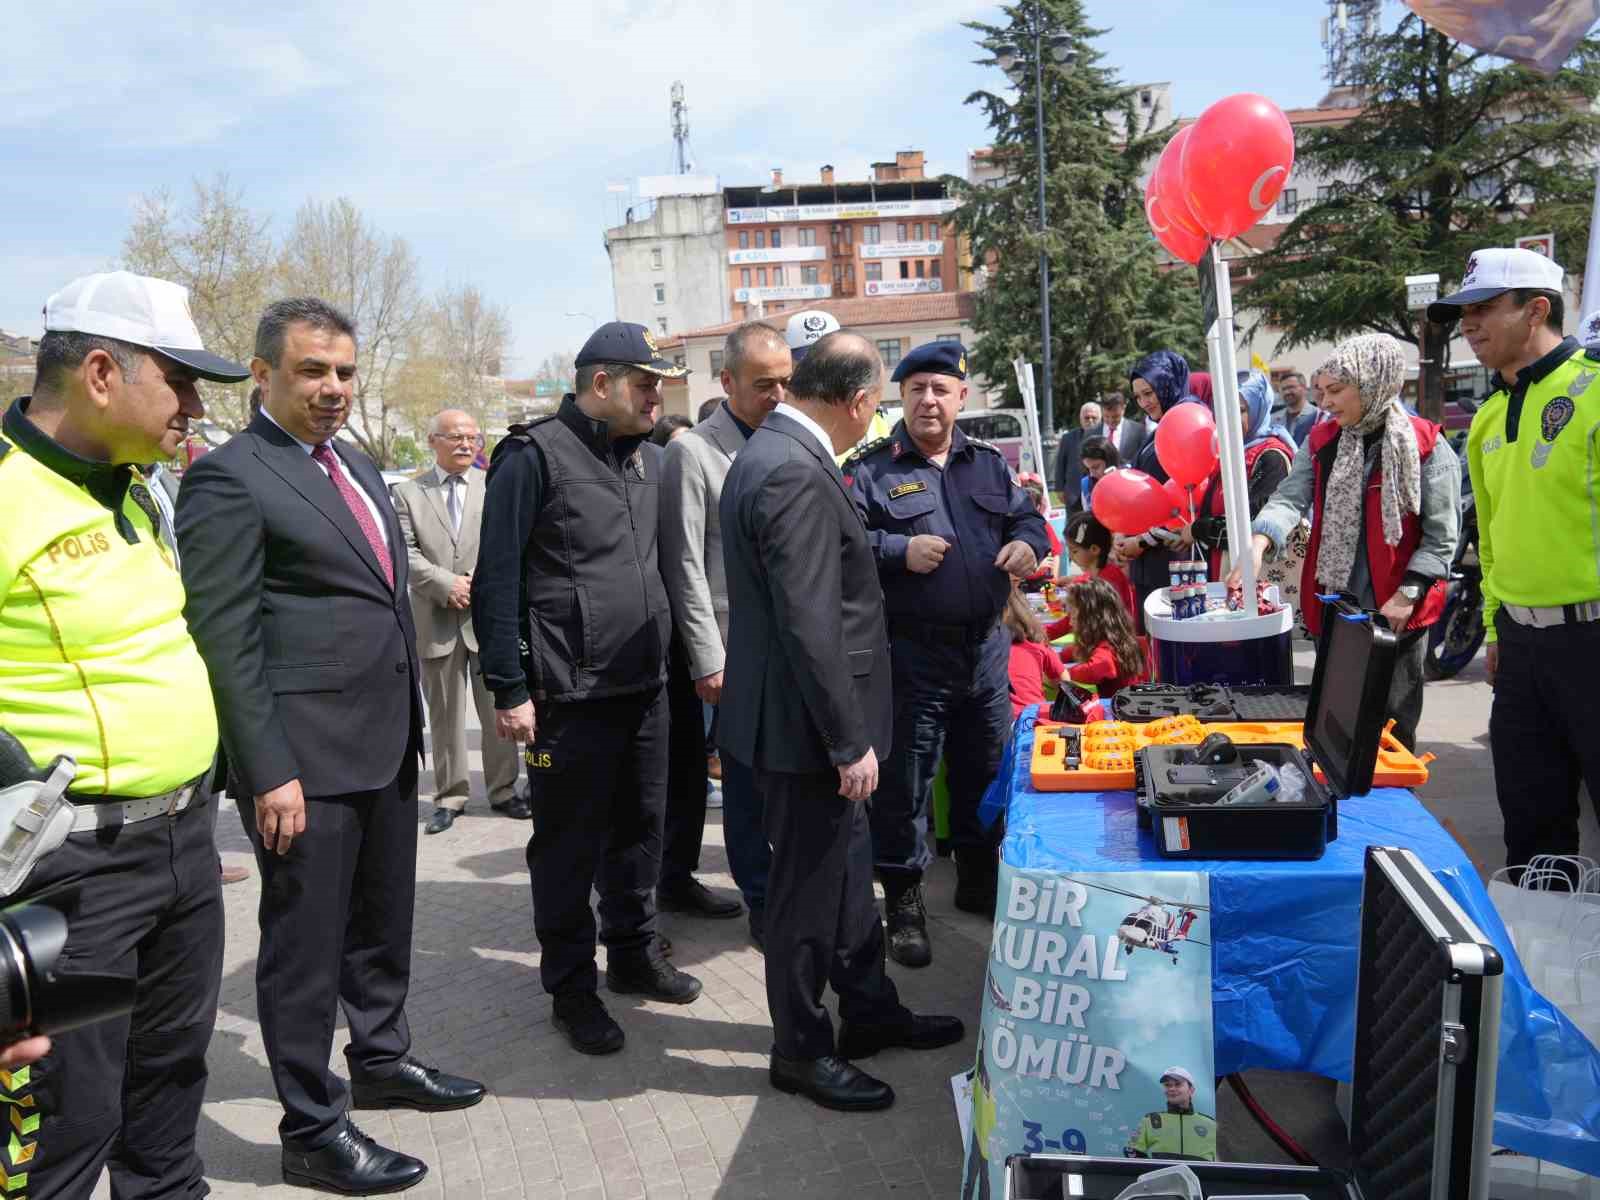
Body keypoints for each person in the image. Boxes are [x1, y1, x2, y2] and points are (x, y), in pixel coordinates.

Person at [178, 297, 484, 1194]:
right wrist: (267, 770)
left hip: (385, 744)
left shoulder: (350, 462)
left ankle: (382, 1061)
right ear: (264, 375)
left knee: (384, 926)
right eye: (312, 371)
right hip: (303, 765)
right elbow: (224, 638)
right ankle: (312, 1126)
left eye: (345, 372)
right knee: (305, 947)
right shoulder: (231, 478)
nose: (333, 389)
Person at [0, 270, 240, 1197]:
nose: (192, 405)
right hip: (70, 873)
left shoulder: (139, 493)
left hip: (184, 848)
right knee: (66, 1126)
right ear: (101, 372)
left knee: (169, 1098)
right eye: (178, 381)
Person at [719, 329, 963, 1113]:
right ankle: (799, 1048)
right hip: (810, 732)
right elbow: (809, 620)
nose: (881, 421)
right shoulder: (790, 469)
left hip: (815, 722)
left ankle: (869, 1009)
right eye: (881, 407)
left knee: (850, 880)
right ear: (858, 402)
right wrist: (845, 739)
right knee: (804, 897)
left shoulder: (780, 453)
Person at [473, 321, 702, 1057]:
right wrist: (509, 687)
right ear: (600, 383)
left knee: (641, 829)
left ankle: (632, 953)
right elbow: (498, 578)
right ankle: (572, 988)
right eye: (645, 385)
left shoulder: (649, 460)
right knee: (569, 848)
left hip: (643, 685)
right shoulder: (532, 457)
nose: (656, 398)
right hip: (566, 696)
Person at [846, 340, 1050, 963]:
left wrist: (1028, 544)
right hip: (914, 655)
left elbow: (1028, 519)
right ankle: (904, 903)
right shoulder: (872, 470)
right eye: (916, 390)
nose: (929, 400)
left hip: (986, 651)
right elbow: (846, 544)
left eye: (941, 389)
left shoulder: (988, 464)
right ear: (899, 399)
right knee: (905, 783)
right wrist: (896, 552)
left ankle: (978, 883)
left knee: (983, 775)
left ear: (962, 397)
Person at [1435, 247, 1600, 875]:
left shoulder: (1594, 386)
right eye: (1463, 313)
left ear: (1536, 310)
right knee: (1532, 831)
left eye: (1483, 309)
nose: (1468, 325)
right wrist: (1498, 628)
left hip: (1594, 638)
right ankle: (1544, 961)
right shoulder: (1485, 418)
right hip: (1524, 654)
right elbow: (1494, 539)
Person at [1240, 332, 1459, 752]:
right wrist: (1260, 539)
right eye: (1322, 391)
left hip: (1397, 612)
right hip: (1337, 607)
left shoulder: (1426, 446)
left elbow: (1441, 537)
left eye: (1337, 391)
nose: (1326, 403)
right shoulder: (1323, 442)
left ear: (1374, 382)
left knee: (1391, 732)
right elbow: (1290, 496)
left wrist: (1408, 593)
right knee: (1337, 726)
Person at [660, 322, 791, 943]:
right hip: (733, 649)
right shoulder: (693, 452)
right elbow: (684, 561)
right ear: (727, 381)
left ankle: (792, 888)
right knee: (745, 786)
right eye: (764, 384)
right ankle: (763, 901)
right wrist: (706, 658)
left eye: (786, 383)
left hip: (791, 645)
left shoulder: (790, 439)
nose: (778, 395)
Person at [392, 409, 526, 836]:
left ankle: (504, 789)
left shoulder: (494, 488)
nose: (467, 445)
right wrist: (445, 583)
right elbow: (403, 553)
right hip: (435, 618)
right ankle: (450, 795)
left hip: (488, 618)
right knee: (445, 714)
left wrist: (479, 584)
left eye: (473, 438)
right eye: (456, 437)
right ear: (432, 440)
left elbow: (511, 544)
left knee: (497, 709)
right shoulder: (407, 493)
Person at [145, 458, 253, 886]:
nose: (191, 409)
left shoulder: (167, 481)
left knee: (206, 758)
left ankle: (201, 858)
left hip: (198, 637)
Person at [1190, 370, 1296, 580]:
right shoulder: (1230, 453)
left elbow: (1252, 526)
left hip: (1258, 579)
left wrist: (1196, 530)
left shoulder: (1271, 456)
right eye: (1223, 409)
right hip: (1226, 570)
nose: (1230, 418)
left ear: (1259, 408)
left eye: (1240, 410)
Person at [1121, 350, 1195, 627]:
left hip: (1172, 560)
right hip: (1148, 559)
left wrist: (1139, 542)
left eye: (1149, 393)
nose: (1144, 403)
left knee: (1172, 649)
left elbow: (1181, 505)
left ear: (1169, 384)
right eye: (1138, 396)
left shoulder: (1184, 427)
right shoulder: (1158, 430)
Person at [1058, 577, 1147, 696]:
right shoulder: (1112, 638)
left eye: (1074, 616)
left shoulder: (1107, 646)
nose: (1070, 623)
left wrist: (1063, 674)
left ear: (1090, 619)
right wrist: (1050, 660)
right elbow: (1075, 651)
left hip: (1119, 708)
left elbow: (1101, 667)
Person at [1048, 512, 1137, 623]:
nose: (1070, 556)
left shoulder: (1107, 580)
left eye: (1074, 551)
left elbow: (1084, 617)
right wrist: (1073, 580)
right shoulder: (1101, 571)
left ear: (1094, 549)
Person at [1124, 1067, 1217, 1161]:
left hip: (1198, 1176)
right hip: (1163, 1176)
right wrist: (1152, 1170)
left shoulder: (1210, 1124)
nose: (1172, 1089)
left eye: (1178, 1084)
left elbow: (1221, 1163)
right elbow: (1130, 1150)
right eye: (1168, 1085)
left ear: (1191, 1090)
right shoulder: (1151, 1120)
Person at [1003, 587, 1063, 717]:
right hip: (1035, 716)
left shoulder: (989, 648)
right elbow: (1063, 680)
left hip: (1003, 720)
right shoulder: (1037, 644)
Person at [1051, 398, 1102, 511]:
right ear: (1080, 419)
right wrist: (1059, 488)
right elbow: (1060, 464)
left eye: (1094, 418)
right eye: (1087, 417)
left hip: (1100, 491)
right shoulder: (1068, 438)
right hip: (1074, 493)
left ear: (1100, 419)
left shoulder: (1106, 436)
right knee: (1074, 526)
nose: (1090, 420)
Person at [1077, 434, 1119, 514]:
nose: (1092, 474)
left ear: (1109, 460)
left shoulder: (1129, 476)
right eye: (1088, 468)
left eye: (1096, 467)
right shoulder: (1086, 484)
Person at [1277, 370, 1317, 446]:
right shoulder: (1272, 420)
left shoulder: (1318, 416)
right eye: (1283, 389)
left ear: (1304, 388)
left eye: (1291, 387)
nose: (1287, 392)